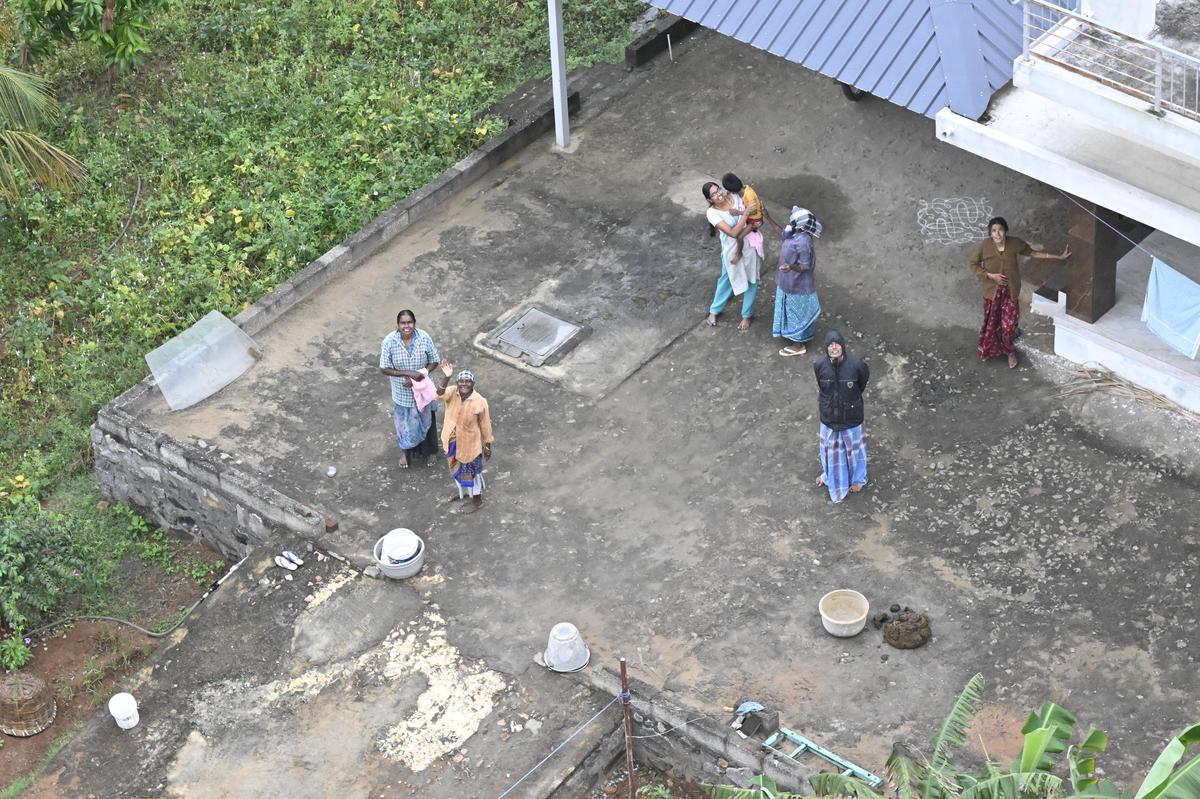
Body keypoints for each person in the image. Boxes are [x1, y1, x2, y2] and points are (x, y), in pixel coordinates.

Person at [969, 216, 1070, 369]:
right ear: (990, 233)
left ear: (1005, 231)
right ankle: (989, 349)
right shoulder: (986, 246)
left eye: (1000, 230)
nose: (997, 234)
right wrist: (990, 276)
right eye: (994, 231)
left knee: (1009, 326)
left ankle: (1010, 353)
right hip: (992, 293)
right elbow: (973, 264)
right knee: (992, 323)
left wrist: (1057, 257)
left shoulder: (1015, 243)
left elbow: (1033, 253)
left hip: (1010, 291)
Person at [379, 309, 441, 468]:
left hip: (423, 391)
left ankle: (430, 452)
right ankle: (407, 454)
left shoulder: (424, 337)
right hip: (402, 394)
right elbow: (384, 368)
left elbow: (434, 360)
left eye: (409, 322)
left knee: (427, 422)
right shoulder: (389, 341)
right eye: (403, 323)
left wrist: (422, 373)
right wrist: (408, 374)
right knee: (405, 427)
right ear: (397, 325)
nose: (406, 326)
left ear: (414, 323)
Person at [813, 330, 869, 503]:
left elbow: (862, 384)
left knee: (856, 451)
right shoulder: (819, 365)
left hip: (851, 417)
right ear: (826, 348)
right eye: (830, 344)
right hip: (829, 417)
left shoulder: (857, 365)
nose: (834, 347)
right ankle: (829, 476)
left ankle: (859, 479)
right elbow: (822, 387)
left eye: (837, 344)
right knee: (828, 451)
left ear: (843, 346)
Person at [435, 361, 493, 514]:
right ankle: (464, 492)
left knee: (470, 473)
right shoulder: (452, 392)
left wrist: (487, 445)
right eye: (461, 381)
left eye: (468, 382)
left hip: (469, 446)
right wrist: (446, 377)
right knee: (457, 471)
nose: (464, 384)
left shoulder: (480, 401)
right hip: (451, 442)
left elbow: (485, 424)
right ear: (457, 383)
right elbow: (438, 394)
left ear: (473, 383)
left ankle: (477, 500)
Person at [703, 181, 759, 330]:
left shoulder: (735, 196)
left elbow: (754, 213)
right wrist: (745, 214)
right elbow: (733, 233)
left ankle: (746, 315)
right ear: (709, 200)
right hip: (730, 250)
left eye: (718, 190)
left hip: (749, 245)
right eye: (714, 194)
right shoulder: (712, 213)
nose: (718, 194)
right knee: (726, 278)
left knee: (752, 279)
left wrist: (753, 212)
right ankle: (714, 310)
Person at [773, 206, 823, 357]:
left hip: (797, 285)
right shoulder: (794, 233)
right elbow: (782, 234)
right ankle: (802, 337)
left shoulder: (804, 242)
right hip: (787, 282)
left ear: (800, 225)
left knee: (797, 313)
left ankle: (798, 345)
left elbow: (805, 266)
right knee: (796, 311)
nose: (791, 222)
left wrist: (791, 267)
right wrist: (767, 217)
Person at [721, 172, 781, 266]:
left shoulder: (749, 195)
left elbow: (753, 211)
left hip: (755, 220)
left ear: (732, 190)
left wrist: (739, 212)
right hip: (752, 217)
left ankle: (739, 254)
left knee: (739, 237)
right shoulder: (745, 188)